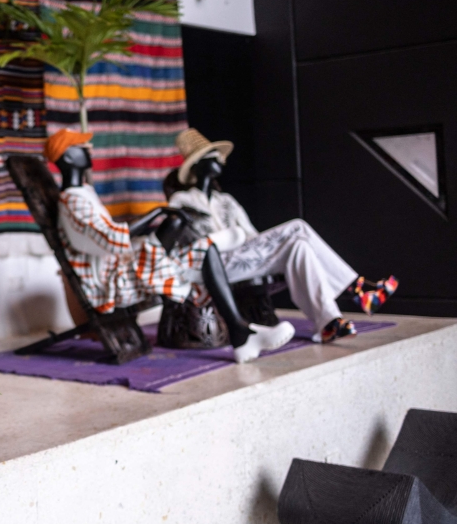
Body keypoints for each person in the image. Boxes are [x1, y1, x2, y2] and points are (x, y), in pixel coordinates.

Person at [45, 128, 296, 364]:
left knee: (194, 240)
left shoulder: (83, 194)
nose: (89, 150)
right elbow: (111, 239)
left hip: (128, 265)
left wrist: (162, 218)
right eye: (82, 147)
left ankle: (242, 334)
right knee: (182, 230)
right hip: (112, 281)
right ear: (68, 157)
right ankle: (241, 334)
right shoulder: (73, 202)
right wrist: (157, 211)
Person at [166, 128, 398, 343]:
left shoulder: (226, 201)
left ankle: (329, 323)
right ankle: (357, 289)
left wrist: (266, 246)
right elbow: (184, 242)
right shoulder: (181, 201)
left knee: (299, 246)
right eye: (213, 156)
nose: (220, 160)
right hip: (209, 265)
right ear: (198, 165)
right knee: (297, 227)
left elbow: (251, 235)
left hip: (243, 257)